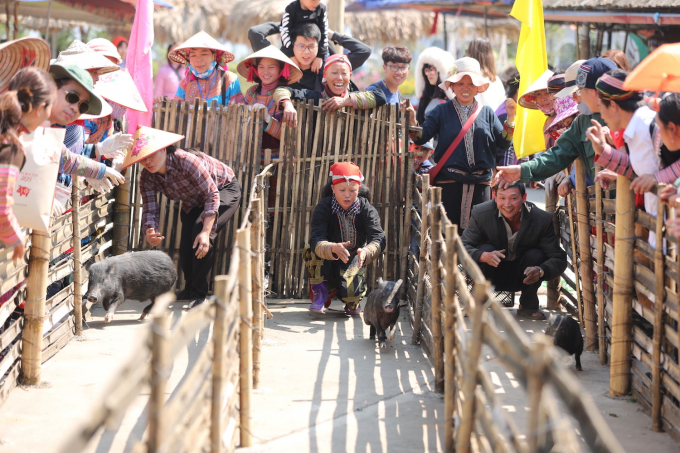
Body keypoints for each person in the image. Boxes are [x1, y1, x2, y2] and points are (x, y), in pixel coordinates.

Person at [127, 126, 242, 307]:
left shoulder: (185, 160)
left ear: (163, 148)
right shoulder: (147, 177)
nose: (147, 161)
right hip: (192, 201)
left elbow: (212, 194)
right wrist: (150, 230)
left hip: (223, 189)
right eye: (143, 158)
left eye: (152, 154)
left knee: (200, 235)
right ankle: (189, 289)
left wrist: (206, 231)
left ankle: (199, 295)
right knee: (187, 248)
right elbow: (150, 207)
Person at [407, 57, 515, 230]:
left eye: (471, 84)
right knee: (447, 234)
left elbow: (502, 144)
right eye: (460, 83)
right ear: (452, 86)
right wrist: (412, 121)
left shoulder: (487, 112)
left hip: (481, 186)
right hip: (449, 185)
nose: (466, 88)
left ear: (478, 88)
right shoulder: (441, 111)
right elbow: (421, 137)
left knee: (480, 232)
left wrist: (510, 119)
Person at [495, 57, 617, 188]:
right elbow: (558, 154)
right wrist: (521, 170)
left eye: (579, 91)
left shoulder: (629, 115)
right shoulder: (582, 121)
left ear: (594, 92)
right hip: (599, 203)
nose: (574, 97)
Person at [461, 181, 567, 319]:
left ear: (524, 198)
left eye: (513, 198)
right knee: (484, 249)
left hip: (523, 277)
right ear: (494, 196)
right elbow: (461, 247)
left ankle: (528, 305)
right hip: (491, 274)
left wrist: (541, 271)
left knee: (536, 255)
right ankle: (478, 302)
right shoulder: (481, 213)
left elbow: (558, 258)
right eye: (502, 198)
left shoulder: (541, 219)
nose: (507, 204)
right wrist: (482, 256)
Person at [305, 162, 385, 315]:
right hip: (326, 258)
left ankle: (351, 301)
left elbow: (379, 237)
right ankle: (320, 293)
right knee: (311, 248)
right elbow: (316, 236)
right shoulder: (324, 207)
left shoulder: (367, 209)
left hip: (353, 257)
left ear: (359, 189)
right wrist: (331, 248)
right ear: (333, 188)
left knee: (352, 298)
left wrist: (366, 251)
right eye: (342, 190)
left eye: (352, 190)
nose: (347, 195)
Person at [274, 54, 387, 127]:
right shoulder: (313, 97)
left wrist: (345, 101)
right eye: (334, 73)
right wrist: (287, 105)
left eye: (344, 73)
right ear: (325, 75)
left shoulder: (354, 98)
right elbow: (281, 90)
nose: (339, 78)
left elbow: (380, 96)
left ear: (350, 76)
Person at [168, 31, 245, 106]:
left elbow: (241, 111)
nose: (198, 59)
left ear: (214, 56)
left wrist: (236, 106)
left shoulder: (229, 79)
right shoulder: (184, 84)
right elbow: (176, 112)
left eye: (204, 54)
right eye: (193, 55)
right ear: (188, 59)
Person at [280, 0, 328, 72]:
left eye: (319, 0)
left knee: (331, 63)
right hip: (293, 47)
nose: (316, 3)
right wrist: (291, 55)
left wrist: (320, 56)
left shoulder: (321, 8)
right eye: (313, 0)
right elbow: (284, 32)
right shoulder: (291, 8)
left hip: (317, 47)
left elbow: (324, 32)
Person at [415, 46, 455, 126]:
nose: (429, 73)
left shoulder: (451, 100)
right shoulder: (425, 99)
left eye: (432, 69)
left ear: (442, 71)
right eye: (426, 70)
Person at [466, 37, 506, 110]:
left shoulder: (469, 78)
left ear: (471, 54)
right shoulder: (496, 79)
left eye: (467, 51)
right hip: (494, 120)